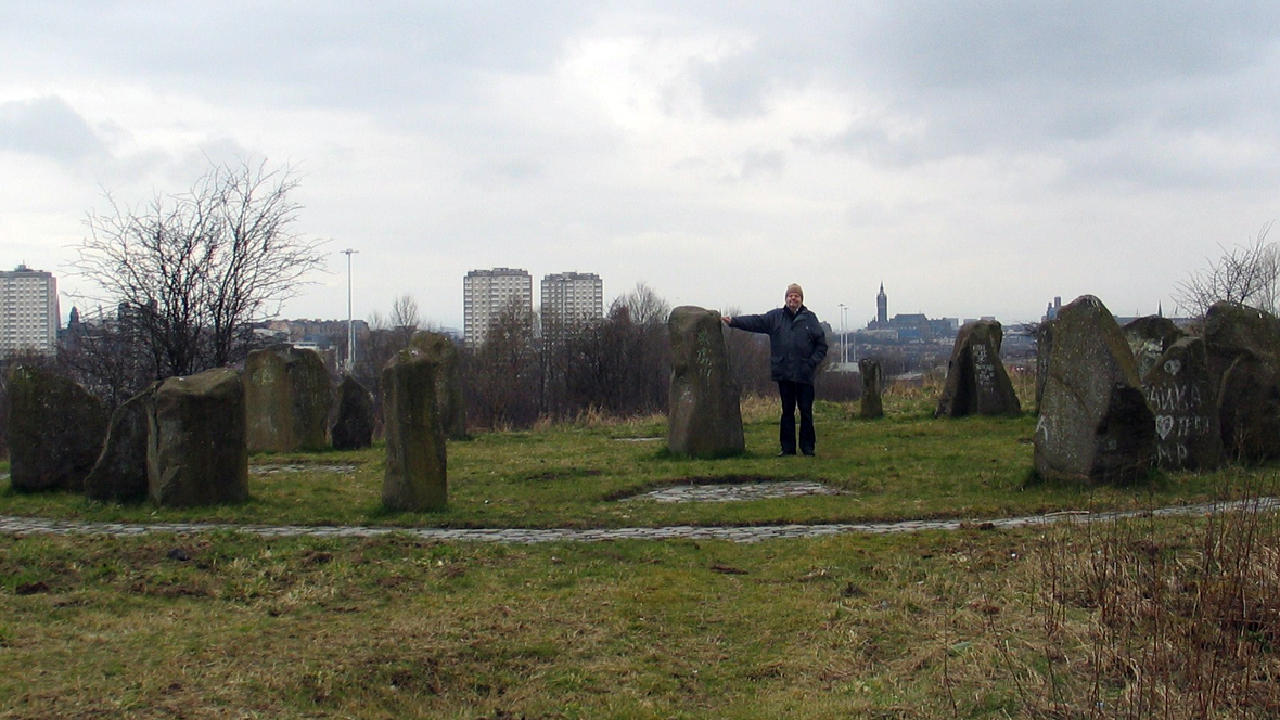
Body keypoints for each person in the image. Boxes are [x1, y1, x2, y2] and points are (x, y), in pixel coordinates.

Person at [722, 283, 828, 456]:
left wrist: (811, 363)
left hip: (804, 373)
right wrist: (734, 322)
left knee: (806, 411)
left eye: (796, 296)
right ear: (785, 298)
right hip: (784, 372)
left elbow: (821, 346)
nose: (793, 298)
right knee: (787, 411)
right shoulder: (775, 317)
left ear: (802, 299)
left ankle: (808, 447)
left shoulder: (810, 319)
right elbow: (756, 321)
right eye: (790, 296)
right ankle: (787, 448)